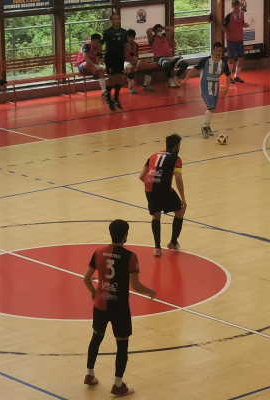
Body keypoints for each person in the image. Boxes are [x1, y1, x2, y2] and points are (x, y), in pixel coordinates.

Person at [83, 219, 156, 397]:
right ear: (125, 235)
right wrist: (150, 292)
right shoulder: (130, 256)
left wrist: (93, 292)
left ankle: (89, 374)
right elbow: (136, 286)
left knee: (96, 338)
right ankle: (117, 384)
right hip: (120, 308)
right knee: (122, 345)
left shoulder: (99, 252)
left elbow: (86, 279)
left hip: (100, 304)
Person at [139, 134, 186, 256]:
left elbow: (141, 176)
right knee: (180, 211)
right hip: (164, 189)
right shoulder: (176, 159)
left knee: (156, 215)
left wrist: (152, 184)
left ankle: (157, 248)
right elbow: (178, 178)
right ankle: (173, 242)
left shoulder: (153, 155)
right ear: (176, 147)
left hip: (149, 188)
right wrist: (183, 198)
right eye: (179, 146)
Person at [181, 42, 231, 138]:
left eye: (220, 51)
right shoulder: (205, 60)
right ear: (213, 51)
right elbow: (194, 69)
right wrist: (186, 79)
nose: (218, 53)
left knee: (212, 109)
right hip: (205, 88)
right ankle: (204, 127)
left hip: (215, 88)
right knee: (211, 107)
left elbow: (228, 75)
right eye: (217, 51)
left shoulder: (223, 63)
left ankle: (207, 127)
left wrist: (227, 88)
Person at [101, 13, 128, 111]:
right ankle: (108, 97)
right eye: (115, 19)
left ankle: (116, 97)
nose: (117, 21)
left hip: (120, 57)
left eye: (118, 19)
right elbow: (101, 43)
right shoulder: (107, 32)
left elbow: (126, 43)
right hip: (110, 58)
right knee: (111, 78)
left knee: (120, 77)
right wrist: (99, 55)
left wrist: (132, 53)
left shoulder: (123, 32)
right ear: (111, 21)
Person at [222, 0, 249, 84]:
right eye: (235, 6)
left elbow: (242, 23)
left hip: (239, 39)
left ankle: (236, 76)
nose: (237, 7)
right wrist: (229, 33)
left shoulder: (242, 14)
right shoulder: (229, 16)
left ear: (240, 6)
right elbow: (223, 27)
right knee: (231, 58)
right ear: (232, 6)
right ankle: (229, 76)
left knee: (241, 58)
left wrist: (245, 25)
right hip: (231, 40)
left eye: (238, 5)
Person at [124, 29, 154, 94]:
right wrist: (129, 61)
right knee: (131, 68)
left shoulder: (136, 45)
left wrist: (136, 60)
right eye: (129, 37)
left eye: (132, 37)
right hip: (125, 62)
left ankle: (146, 85)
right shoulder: (123, 45)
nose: (130, 39)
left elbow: (136, 55)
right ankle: (131, 88)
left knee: (149, 66)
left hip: (134, 61)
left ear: (134, 38)